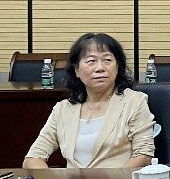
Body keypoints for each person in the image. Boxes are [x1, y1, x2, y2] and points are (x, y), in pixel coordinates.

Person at [23, 33, 155, 169]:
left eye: (107, 60)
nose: (100, 68)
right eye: (91, 61)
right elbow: (33, 158)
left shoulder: (134, 102)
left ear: (117, 67)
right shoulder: (63, 109)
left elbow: (143, 155)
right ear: (76, 70)